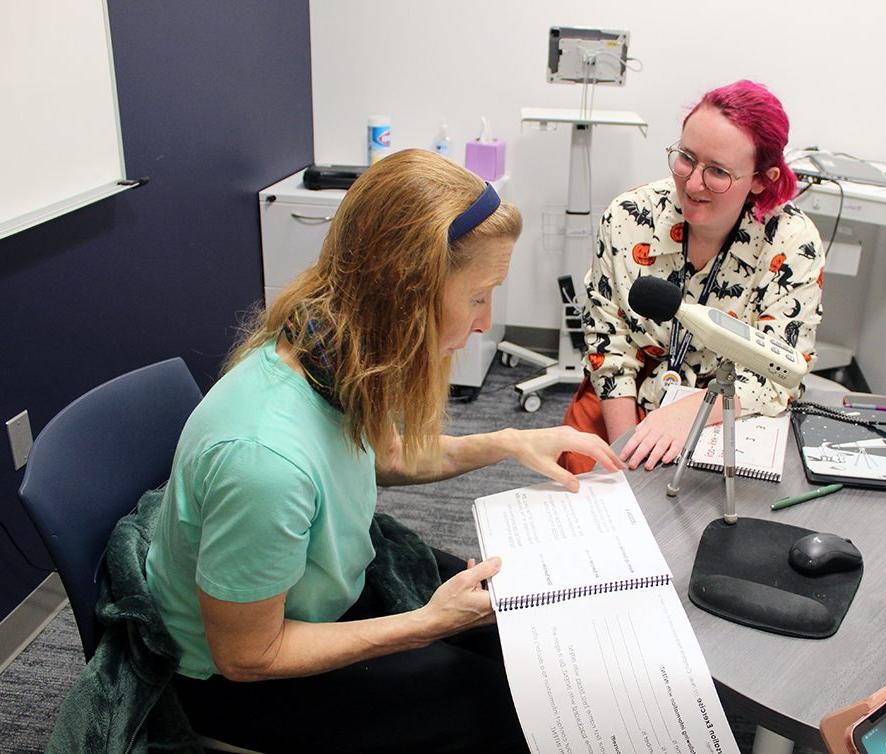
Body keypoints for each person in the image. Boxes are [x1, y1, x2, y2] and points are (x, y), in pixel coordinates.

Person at [144, 149, 623, 753]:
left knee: (525, 625)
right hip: (238, 684)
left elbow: (386, 458)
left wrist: (511, 440)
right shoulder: (264, 461)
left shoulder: (332, 353)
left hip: (320, 597)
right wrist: (425, 626)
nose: (486, 323)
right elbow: (247, 656)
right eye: (478, 297)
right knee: (500, 706)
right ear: (405, 290)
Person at [561, 80, 826, 474]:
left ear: (761, 179)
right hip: (623, 401)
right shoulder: (628, 218)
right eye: (686, 158)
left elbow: (781, 373)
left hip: (726, 417)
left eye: (718, 172)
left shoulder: (791, 243)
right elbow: (609, 346)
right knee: (585, 508)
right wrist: (627, 457)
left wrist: (690, 412)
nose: (694, 183)